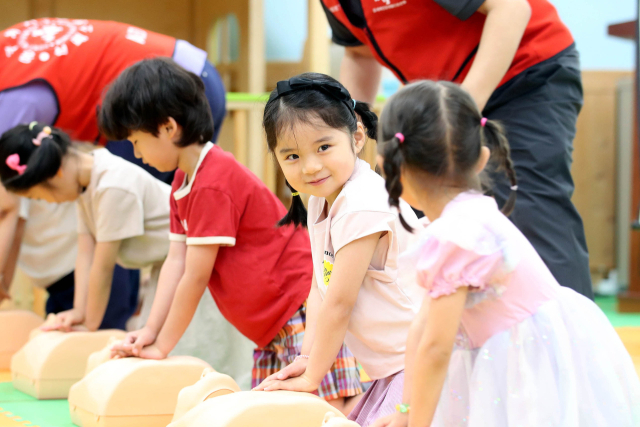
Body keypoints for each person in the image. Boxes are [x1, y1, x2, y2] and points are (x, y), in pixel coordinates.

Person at [372, 80, 640, 427]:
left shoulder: (456, 237)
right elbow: (423, 329)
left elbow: (435, 348)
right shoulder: (470, 216)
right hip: (535, 353)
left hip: (525, 365)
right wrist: (405, 412)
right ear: (482, 157)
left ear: (390, 167)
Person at [102, 59, 362, 411]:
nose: (136, 154)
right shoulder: (183, 182)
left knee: (332, 408)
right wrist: (149, 331)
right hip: (269, 325)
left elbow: (194, 277)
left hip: (296, 306)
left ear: (167, 127)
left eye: (136, 141)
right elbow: (174, 263)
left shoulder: (213, 180)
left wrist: (163, 346)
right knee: (277, 414)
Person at [321, 0, 593, 299]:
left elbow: (511, 9)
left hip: (524, 71)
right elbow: (359, 53)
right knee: (414, 216)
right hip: (443, 97)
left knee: (529, 211)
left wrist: (458, 116)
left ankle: (571, 340)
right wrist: (343, 142)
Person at [253, 73, 424, 425]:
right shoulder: (320, 199)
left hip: (419, 359)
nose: (310, 166)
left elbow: (340, 302)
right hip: (393, 363)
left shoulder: (362, 202)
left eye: (323, 147)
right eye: (292, 156)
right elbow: (321, 287)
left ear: (356, 137)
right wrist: (306, 355)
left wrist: (313, 376)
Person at [0, 122, 172, 330]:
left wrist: (89, 327)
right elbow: (85, 253)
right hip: (167, 263)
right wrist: (78, 312)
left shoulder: (112, 186)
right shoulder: (85, 181)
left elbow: (103, 268)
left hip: (193, 259)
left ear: (56, 173)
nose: (48, 202)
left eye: (38, 196)